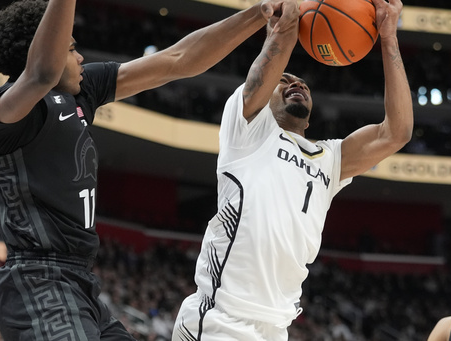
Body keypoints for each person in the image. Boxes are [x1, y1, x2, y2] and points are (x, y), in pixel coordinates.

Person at [0, 0, 293, 340]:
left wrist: (260, 14)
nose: (80, 57)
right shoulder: (3, 112)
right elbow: (41, 74)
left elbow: (178, 60)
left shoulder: (80, 94)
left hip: (79, 282)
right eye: (71, 48)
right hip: (36, 282)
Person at [172, 0, 413, 340]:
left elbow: (396, 132)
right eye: (284, 81)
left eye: (303, 85)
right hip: (220, 319)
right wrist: (292, 14)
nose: (295, 83)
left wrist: (388, 36)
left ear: (312, 116)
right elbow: (270, 65)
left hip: (276, 327)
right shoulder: (248, 129)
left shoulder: (329, 158)